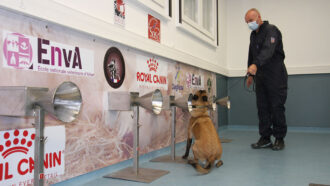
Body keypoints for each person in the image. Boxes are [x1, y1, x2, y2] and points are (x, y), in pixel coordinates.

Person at [245, 8, 288, 150]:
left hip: (276, 75)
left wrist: (255, 65)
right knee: (262, 107)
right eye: (247, 22)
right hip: (261, 77)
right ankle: (265, 138)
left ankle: (279, 138)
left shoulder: (271, 30)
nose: (249, 24)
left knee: (276, 106)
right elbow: (251, 55)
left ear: (259, 18)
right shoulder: (253, 35)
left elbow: (268, 50)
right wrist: (250, 74)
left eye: (250, 20)